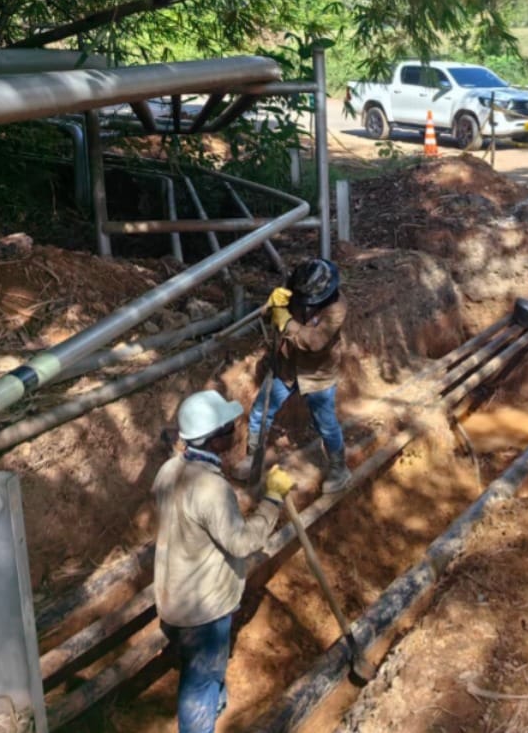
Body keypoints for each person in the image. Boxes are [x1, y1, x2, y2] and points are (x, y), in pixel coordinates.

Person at [154, 389, 295, 733]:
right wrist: (273, 499)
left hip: (173, 598)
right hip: (204, 612)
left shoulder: (169, 470)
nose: (235, 431)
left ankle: (213, 702)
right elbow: (242, 542)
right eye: (228, 428)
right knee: (200, 684)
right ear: (213, 440)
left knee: (200, 673)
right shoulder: (212, 490)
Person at [247, 258, 351, 493]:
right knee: (261, 411)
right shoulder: (295, 286)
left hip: (317, 372)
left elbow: (315, 342)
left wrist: (286, 321)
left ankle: (339, 467)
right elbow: (267, 318)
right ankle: (253, 458)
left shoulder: (337, 307)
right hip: (287, 365)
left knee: (326, 424)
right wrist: (271, 305)